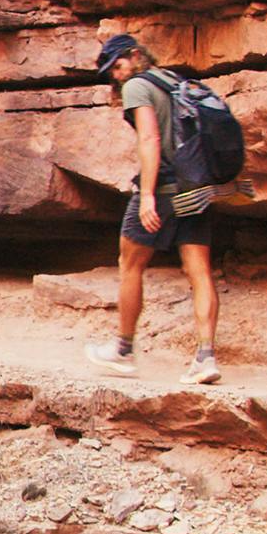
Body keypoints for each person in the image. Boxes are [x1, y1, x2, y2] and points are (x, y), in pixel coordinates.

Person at [86, 33, 222, 384]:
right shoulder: (174, 81)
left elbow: (149, 139)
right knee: (199, 270)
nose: (117, 75)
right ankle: (205, 357)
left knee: (130, 262)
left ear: (135, 56)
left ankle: (123, 349)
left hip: (163, 186)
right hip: (197, 183)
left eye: (118, 66)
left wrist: (147, 195)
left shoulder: (137, 86)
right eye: (111, 72)